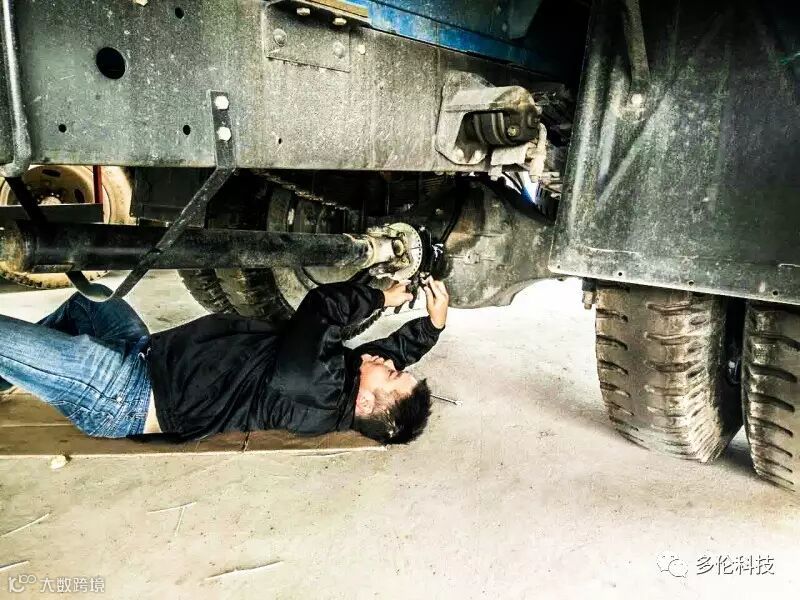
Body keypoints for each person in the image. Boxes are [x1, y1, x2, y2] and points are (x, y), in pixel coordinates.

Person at [0, 277, 449, 444]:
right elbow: (387, 355)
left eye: (392, 375)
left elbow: (322, 307)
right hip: (143, 353)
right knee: (91, 301)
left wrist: (380, 297)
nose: (387, 362)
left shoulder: (315, 389)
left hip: (122, 394)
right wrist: (432, 325)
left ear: (366, 404)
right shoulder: (345, 385)